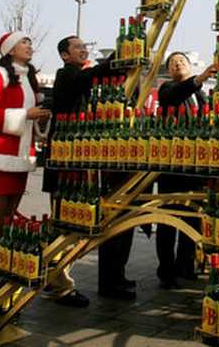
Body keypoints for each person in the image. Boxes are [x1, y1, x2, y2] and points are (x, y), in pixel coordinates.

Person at [42, 35, 136, 303]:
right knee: (64, 223)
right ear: (64, 55)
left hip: (77, 162)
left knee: (71, 223)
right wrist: (124, 51)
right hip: (64, 161)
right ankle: (59, 285)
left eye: (85, 46)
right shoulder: (66, 75)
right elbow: (92, 75)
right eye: (77, 47)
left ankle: (57, 281)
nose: (83, 50)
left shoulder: (82, 80)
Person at [0, 32, 51, 265]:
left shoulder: (29, 79)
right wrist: (26, 115)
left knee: (7, 223)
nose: (29, 45)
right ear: (9, 50)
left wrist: (38, 120)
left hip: (19, 160)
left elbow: (28, 121)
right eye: (24, 42)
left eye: (30, 41)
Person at [156, 51, 216, 289]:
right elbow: (176, 94)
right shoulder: (167, 89)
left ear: (190, 66)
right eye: (172, 63)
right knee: (168, 221)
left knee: (192, 219)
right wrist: (200, 78)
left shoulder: (200, 95)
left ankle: (185, 266)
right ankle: (166, 271)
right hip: (172, 167)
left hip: (194, 167)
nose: (177, 65)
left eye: (181, 61)